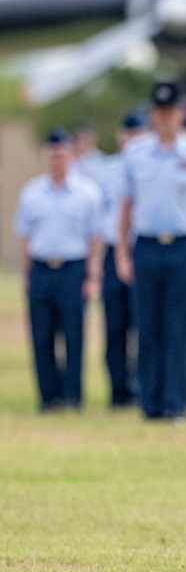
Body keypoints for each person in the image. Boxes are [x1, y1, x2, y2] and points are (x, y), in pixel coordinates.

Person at [116, 81, 186, 422]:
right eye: (159, 112)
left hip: (181, 248)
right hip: (145, 246)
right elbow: (126, 207)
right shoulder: (135, 153)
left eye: (171, 112)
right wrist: (122, 254)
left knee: (179, 328)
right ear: (153, 115)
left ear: (181, 115)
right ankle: (149, 403)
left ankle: (175, 404)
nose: (165, 118)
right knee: (147, 328)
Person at [14, 128, 104, 411]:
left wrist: (92, 274)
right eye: (53, 155)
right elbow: (26, 238)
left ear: (71, 157)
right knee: (42, 336)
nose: (57, 160)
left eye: (62, 155)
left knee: (74, 335)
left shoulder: (86, 193)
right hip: (42, 269)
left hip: (73, 269)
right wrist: (26, 274)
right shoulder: (31, 193)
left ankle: (72, 396)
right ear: (46, 157)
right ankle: (47, 397)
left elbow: (95, 238)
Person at [75, 109, 146, 406]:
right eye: (128, 134)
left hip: (142, 250)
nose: (132, 140)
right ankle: (118, 390)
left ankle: (144, 388)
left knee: (145, 325)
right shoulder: (104, 172)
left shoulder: (150, 167)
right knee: (115, 326)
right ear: (121, 137)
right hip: (111, 252)